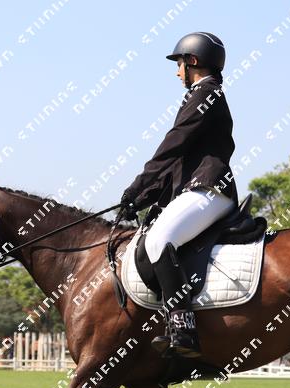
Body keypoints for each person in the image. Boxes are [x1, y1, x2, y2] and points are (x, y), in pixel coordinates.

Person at [120, 32, 239, 359]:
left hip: (209, 188)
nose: (177, 73)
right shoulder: (201, 94)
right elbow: (177, 164)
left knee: (159, 241)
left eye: (179, 65)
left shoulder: (206, 93)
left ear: (193, 61)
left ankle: (184, 328)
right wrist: (140, 198)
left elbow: (173, 145)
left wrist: (136, 186)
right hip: (197, 187)